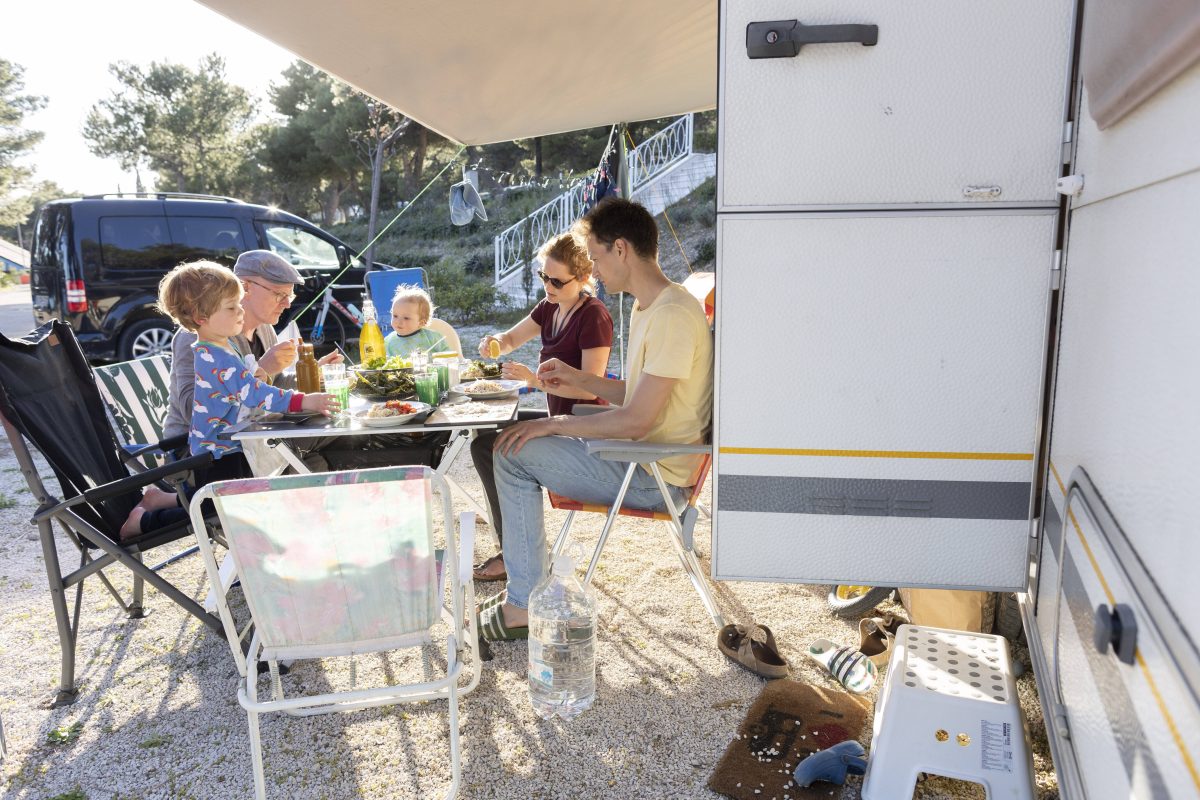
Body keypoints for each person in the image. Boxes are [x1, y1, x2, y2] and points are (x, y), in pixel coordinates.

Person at [476, 199, 713, 642]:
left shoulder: (672, 315)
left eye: (597, 256)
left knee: (509, 451)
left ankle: (523, 605)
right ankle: (525, 590)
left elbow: (637, 421)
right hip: (640, 458)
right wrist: (578, 379)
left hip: (654, 474)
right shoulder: (650, 307)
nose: (595, 269)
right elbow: (637, 395)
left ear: (620, 249)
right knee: (510, 442)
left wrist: (553, 424)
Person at [469, 232, 614, 582]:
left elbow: (588, 386)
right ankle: (514, 548)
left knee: (489, 446)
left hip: (583, 427)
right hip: (559, 420)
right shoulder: (550, 306)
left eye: (557, 281)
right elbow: (511, 339)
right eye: (543, 277)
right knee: (484, 434)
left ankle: (514, 554)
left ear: (582, 278)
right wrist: (494, 343)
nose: (548, 286)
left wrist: (534, 381)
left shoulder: (594, 316)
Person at [164, 250, 341, 441]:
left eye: (290, 296)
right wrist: (262, 368)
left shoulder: (263, 328)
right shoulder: (200, 335)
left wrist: (313, 373)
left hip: (253, 435)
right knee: (329, 440)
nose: (287, 304)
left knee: (335, 436)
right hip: (205, 450)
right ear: (246, 286)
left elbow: (273, 383)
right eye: (279, 294)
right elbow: (192, 409)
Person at [384, 285, 454, 359]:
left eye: (406, 318)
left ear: (421, 322)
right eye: (395, 316)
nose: (399, 321)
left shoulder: (432, 337)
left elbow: (448, 356)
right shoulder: (388, 341)